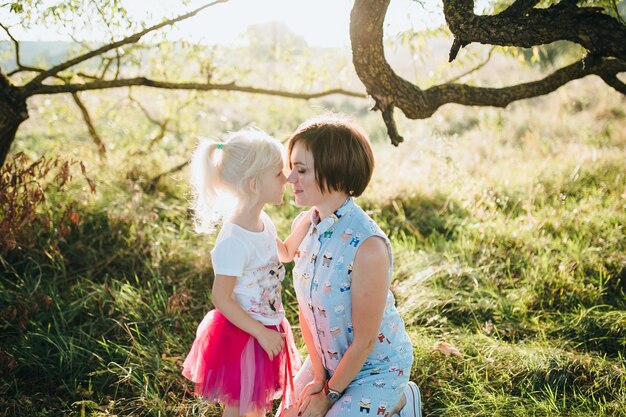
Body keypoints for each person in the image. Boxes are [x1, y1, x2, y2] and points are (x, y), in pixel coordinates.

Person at [282, 115, 422, 417]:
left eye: (301, 170)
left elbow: (366, 340)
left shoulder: (368, 246)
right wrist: (319, 377)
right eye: (291, 167)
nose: (290, 178)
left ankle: (401, 400)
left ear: (337, 174)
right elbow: (307, 311)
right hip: (329, 363)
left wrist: (328, 397)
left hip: (376, 368)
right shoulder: (304, 226)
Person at [182, 129, 310, 417]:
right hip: (243, 334)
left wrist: (308, 221)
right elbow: (221, 297)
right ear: (254, 184)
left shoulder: (262, 221)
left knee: (256, 408)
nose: (287, 179)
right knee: (239, 407)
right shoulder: (234, 240)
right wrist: (260, 334)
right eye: (279, 173)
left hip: (267, 326)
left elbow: (285, 254)